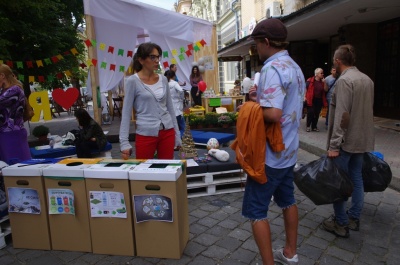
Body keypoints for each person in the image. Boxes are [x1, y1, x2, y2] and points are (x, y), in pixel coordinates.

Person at [244, 18, 305, 265]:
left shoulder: (271, 68)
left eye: (257, 45)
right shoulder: (295, 67)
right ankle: (290, 253)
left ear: (266, 42)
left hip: (268, 154)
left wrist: (249, 106)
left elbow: (273, 114)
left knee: (256, 211)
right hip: (288, 151)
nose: (256, 50)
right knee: (288, 200)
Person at [322, 44, 374, 238]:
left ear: (337, 61)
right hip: (361, 139)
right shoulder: (367, 79)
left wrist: (334, 145)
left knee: (339, 182)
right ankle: (353, 217)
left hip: (345, 141)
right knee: (357, 178)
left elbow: (343, 116)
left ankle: (341, 223)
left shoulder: (345, 81)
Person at [119, 42, 181, 160]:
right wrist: (124, 143)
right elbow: (126, 113)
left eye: (158, 57)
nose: (157, 60)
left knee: (167, 169)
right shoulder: (132, 81)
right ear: (141, 60)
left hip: (167, 132)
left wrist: (177, 135)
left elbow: (170, 109)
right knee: (143, 172)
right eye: (152, 57)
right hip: (145, 133)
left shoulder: (163, 79)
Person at [0, 64, 32, 165]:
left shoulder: (15, 90)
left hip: (12, 133)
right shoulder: (3, 91)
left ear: (2, 75)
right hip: (5, 133)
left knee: (17, 166)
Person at [305, 68, 327, 132]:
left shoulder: (322, 82)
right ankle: (308, 126)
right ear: (317, 74)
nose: (322, 74)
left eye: (323, 73)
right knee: (311, 112)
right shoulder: (310, 80)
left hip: (319, 99)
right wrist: (304, 97)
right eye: (321, 73)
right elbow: (305, 88)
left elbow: (326, 90)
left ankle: (314, 126)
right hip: (311, 99)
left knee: (317, 113)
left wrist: (325, 83)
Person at [165, 70, 185, 138]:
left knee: (172, 127)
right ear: (174, 76)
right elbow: (181, 90)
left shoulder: (165, 84)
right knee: (182, 126)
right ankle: (181, 138)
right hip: (177, 108)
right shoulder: (175, 83)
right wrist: (181, 98)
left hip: (169, 109)